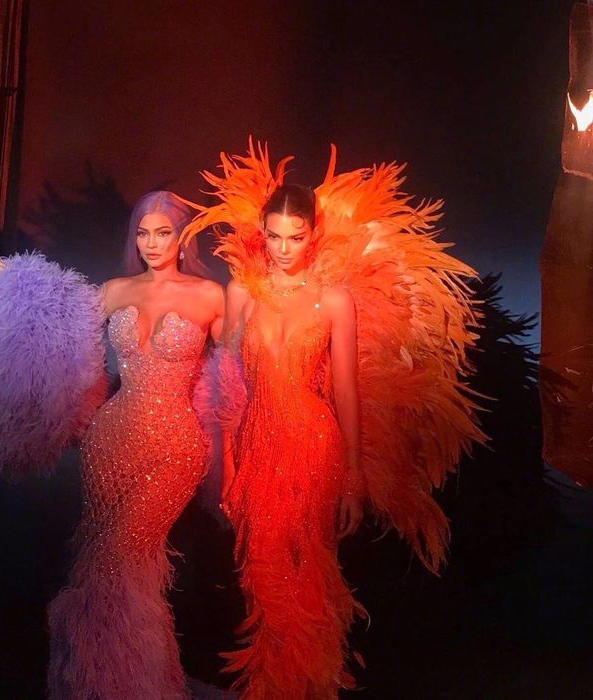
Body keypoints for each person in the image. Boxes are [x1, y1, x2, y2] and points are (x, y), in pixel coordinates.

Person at [181, 141, 484, 699]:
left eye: (295, 237)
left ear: (313, 235)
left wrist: (353, 475)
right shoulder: (241, 293)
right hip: (256, 447)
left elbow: (346, 390)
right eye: (274, 236)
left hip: (314, 447)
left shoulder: (335, 300)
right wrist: (225, 463)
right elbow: (225, 385)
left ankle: (304, 688)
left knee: (308, 578)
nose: (283, 249)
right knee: (261, 581)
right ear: (261, 233)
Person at [0, 191, 224, 699]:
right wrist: (12, 284)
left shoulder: (211, 295)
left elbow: (231, 379)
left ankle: (134, 683)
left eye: (163, 232)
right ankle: (105, 680)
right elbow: (55, 321)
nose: (152, 243)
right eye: (143, 233)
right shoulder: (115, 290)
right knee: (100, 557)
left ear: (182, 237)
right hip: (110, 442)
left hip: (176, 447)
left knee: (120, 557)